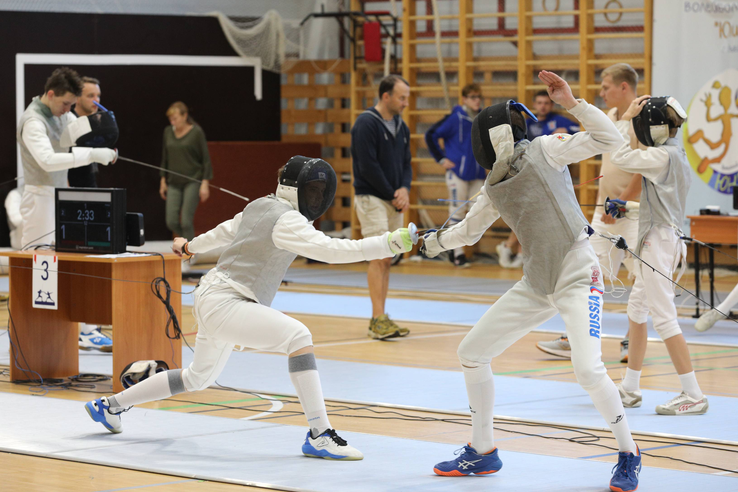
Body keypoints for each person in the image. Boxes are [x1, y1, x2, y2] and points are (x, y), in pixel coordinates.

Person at [84, 156, 416, 460]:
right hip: (226, 301)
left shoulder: (261, 205)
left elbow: (224, 231)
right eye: (314, 190)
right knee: (298, 336)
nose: (318, 197)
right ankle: (319, 434)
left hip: (215, 295)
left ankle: (109, 406)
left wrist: (189, 246)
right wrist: (387, 242)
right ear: (296, 190)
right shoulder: (288, 221)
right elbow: (332, 251)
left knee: (197, 377)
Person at [422, 71, 640, 492]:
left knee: (589, 371)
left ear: (493, 138)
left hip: (579, 274)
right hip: (538, 282)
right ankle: (483, 452)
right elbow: (467, 233)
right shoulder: (493, 186)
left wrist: (572, 102)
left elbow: (610, 139)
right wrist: (430, 243)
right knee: (472, 352)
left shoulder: (547, 150)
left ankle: (629, 453)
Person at [608, 95, 709, 416]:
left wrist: (624, 119)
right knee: (637, 309)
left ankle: (693, 394)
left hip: (657, 243)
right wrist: (630, 205)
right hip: (664, 237)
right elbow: (664, 203)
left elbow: (622, 157)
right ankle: (630, 387)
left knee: (664, 318)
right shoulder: (675, 155)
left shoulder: (659, 157)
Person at [537, 64, 642, 363]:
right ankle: (575, 338)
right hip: (604, 212)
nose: (601, 92)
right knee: (588, 274)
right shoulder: (608, 118)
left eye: (606, 86)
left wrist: (620, 202)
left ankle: (631, 341)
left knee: (639, 279)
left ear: (623, 87)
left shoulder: (643, 117)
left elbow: (647, 168)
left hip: (634, 213)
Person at [16, 67, 117, 352]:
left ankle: (85, 329)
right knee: (39, 264)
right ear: (50, 94)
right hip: (40, 199)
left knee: (76, 260)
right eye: (65, 104)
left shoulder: (63, 113)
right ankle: (34, 328)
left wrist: (103, 138)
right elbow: (48, 160)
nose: (69, 110)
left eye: (72, 104)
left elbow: (81, 135)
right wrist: (94, 154)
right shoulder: (33, 121)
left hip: (63, 196)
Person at [351, 75, 412, 340]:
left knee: (388, 257)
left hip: (392, 200)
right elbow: (367, 167)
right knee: (378, 256)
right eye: (402, 97)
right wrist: (392, 194)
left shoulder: (401, 125)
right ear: (385, 96)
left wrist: (405, 189)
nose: (405, 103)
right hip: (372, 198)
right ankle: (377, 318)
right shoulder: (366, 124)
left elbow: (407, 163)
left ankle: (382, 316)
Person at [425, 83, 487, 267]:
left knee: (478, 211)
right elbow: (431, 135)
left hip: (477, 173)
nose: (477, 100)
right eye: (473, 97)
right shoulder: (455, 118)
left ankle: (462, 247)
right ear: (464, 99)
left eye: (478, 97)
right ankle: (456, 252)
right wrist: (441, 158)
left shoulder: (482, 118)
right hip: (457, 174)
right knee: (457, 211)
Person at [160, 102, 213, 241]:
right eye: (170, 119)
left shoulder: (196, 132)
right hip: (173, 182)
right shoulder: (168, 132)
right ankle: (190, 243)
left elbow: (205, 159)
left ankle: (189, 252)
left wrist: (205, 183)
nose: (173, 122)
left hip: (193, 180)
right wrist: (163, 179)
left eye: (175, 118)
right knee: (171, 221)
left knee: (186, 221)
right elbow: (165, 157)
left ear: (185, 116)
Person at [68, 77, 102, 188]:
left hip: (90, 185)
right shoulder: (69, 122)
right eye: (90, 96)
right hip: (72, 188)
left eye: (98, 96)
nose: (96, 100)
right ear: (77, 98)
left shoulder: (94, 122)